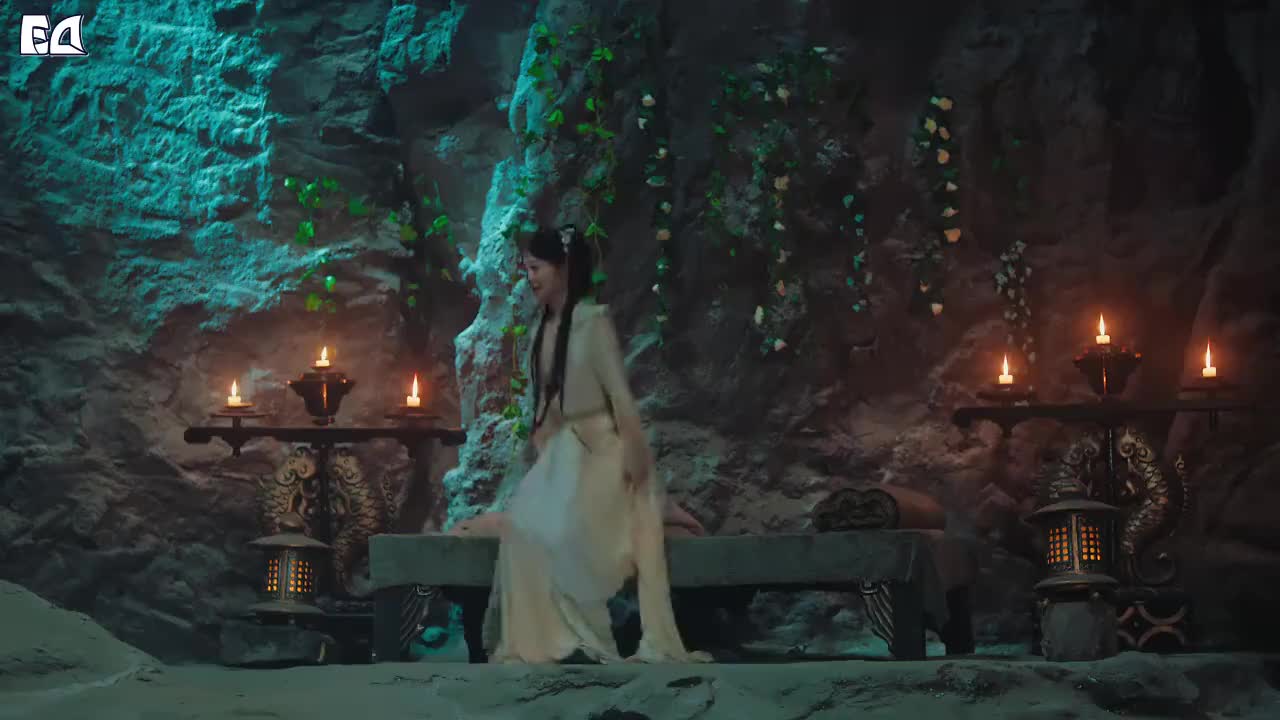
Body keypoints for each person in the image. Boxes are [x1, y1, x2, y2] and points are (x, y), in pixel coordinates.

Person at [481, 224, 711, 664]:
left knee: (563, 530)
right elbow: (547, 406)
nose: (530, 278)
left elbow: (620, 396)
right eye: (526, 269)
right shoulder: (542, 329)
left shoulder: (592, 322)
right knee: (524, 527)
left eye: (536, 268)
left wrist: (637, 461)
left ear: (563, 268)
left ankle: (583, 639)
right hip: (564, 453)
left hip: (602, 450)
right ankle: (549, 642)